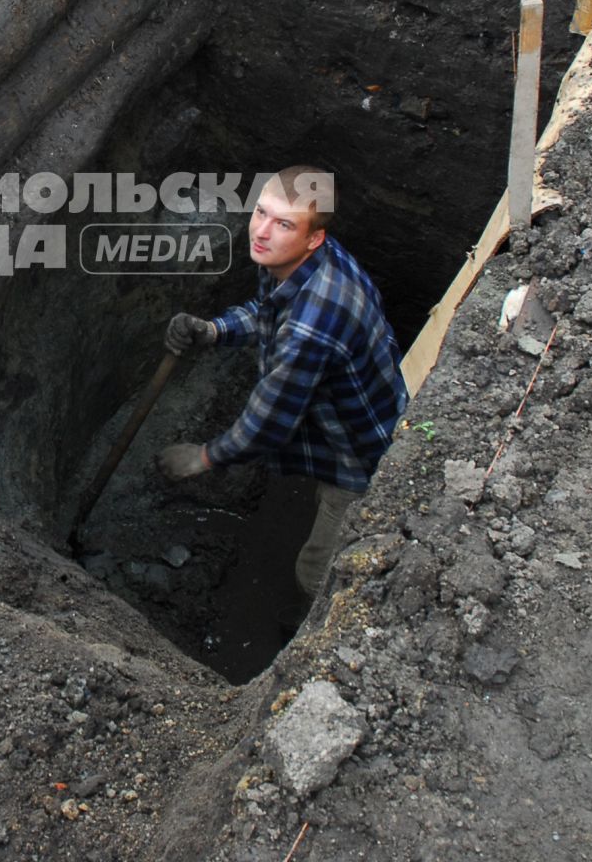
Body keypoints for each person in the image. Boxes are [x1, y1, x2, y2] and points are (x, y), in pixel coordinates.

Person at [156, 167, 407, 602]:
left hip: (362, 455)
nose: (263, 232)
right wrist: (215, 330)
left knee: (317, 576)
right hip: (349, 415)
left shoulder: (314, 324)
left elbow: (270, 421)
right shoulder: (299, 261)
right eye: (261, 213)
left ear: (314, 238)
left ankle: (318, 643)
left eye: (284, 224)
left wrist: (201, 458)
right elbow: (267, 311)